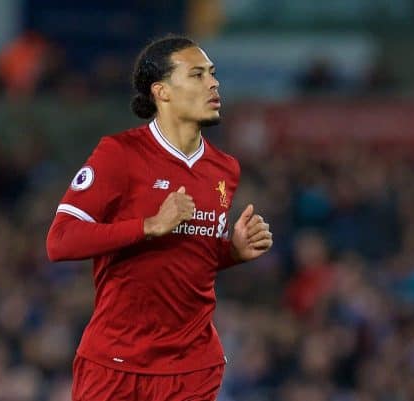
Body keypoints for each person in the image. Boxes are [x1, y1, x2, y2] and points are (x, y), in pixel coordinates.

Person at [46, 35, 273, 401]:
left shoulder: (224, 168)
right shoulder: (119, 154)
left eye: (212, 74)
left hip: (192, 366)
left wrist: (231, 252)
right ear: (162, 91)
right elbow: (60, 241)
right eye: (197, 75)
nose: (213, 83)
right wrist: (148, 226)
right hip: (116, 361)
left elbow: (187, 256)